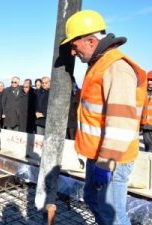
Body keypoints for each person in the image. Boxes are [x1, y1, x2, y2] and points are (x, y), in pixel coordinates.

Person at [61, 10, 147, 225]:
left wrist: (106, 164)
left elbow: (121, 123)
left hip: (112, 159)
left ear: (90, 41)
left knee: (113, 215)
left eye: (74, 45)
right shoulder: (99, 65)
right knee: (93, 199)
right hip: (97, 155)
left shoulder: (116, 67)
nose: (73, 52)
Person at [141, 71, 152, 152]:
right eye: (148, 80)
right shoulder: (142, 93)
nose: (150, 83)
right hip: (145, 125)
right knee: (148, 146)